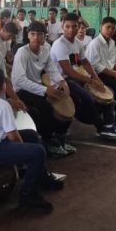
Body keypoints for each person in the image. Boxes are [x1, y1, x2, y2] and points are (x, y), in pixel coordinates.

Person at [0, 67, 63, 214]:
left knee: (31, 135)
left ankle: (41, 177)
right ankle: (27, 197)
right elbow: (14, 138)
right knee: (38, 152)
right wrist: (24, 155)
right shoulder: (2, 105)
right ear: (4, 86)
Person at [50, 13, 116, 141]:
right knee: (87, 97)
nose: (71, 29)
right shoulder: (59, 44)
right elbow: (68, 71)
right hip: (61, 81)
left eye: (74, 26)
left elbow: (85, 62)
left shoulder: (77, 43)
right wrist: (89, 80)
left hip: (77, 77)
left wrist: (97, 78)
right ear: (62, 27)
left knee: (106, 91)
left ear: (78, 27)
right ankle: (101, 128)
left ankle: (109, 125)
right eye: (67, 26)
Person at [11, 22, 73, 157]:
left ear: (45, 36)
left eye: (39, 34)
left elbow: (52, 70)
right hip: (22, 90)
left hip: (38, 87)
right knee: (45, 106)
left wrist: (62, 81)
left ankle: (60, 136)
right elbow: (19, 80)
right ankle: (48, 140)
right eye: (33, 34)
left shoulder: (46, 48)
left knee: (65, 99)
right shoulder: (22, 52)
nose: (36, 38)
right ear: (28, 35)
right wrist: (45, 90)